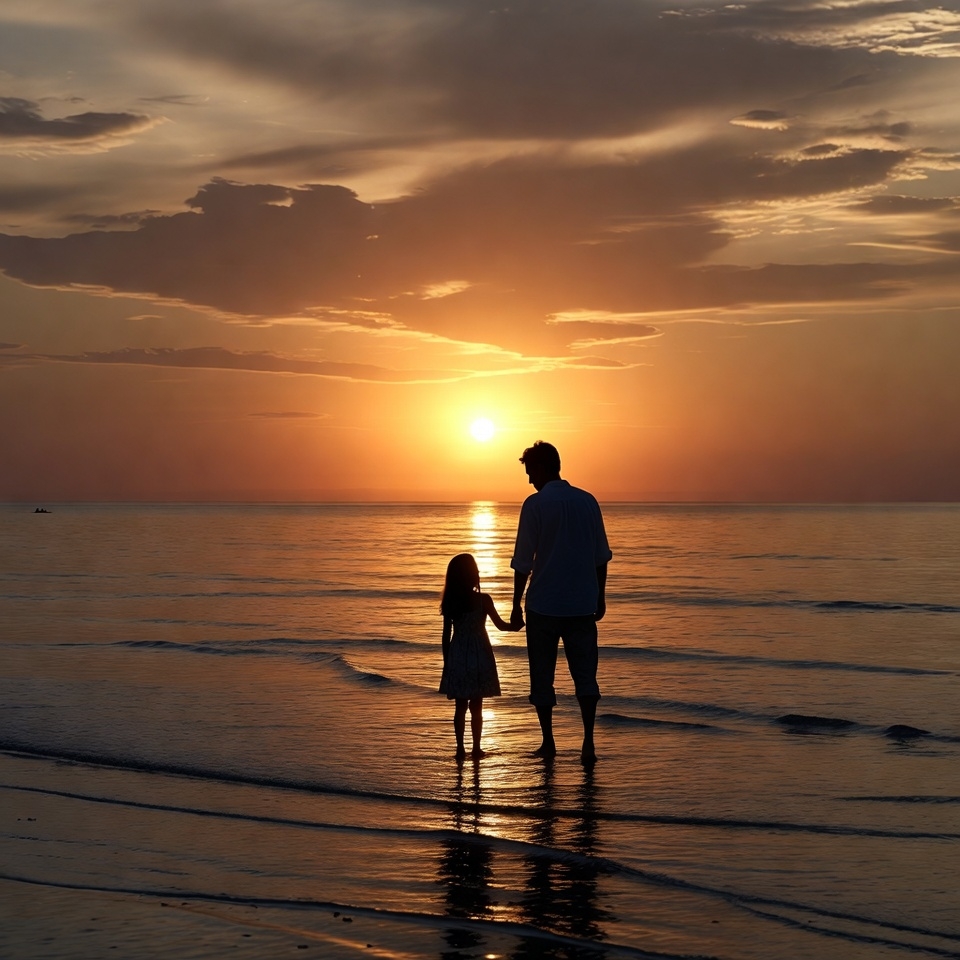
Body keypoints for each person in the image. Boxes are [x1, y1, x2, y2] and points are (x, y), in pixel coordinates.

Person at [510, 441, 612, 764]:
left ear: (541, 468)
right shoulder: (588, 502)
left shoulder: (535, 505)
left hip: (543, 604)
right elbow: (601, 557)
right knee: (586, 676)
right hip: (582, 602)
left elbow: (523, 561)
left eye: (530, 472)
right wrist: (601, 595)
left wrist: (514, 604)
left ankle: (549, 741)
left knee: (542, 676)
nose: (529, 480)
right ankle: (588, 743)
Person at [439, 553, 516, 760]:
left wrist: (447, 663)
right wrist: (516, 626)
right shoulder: (483, 600)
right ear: (473, 574)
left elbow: (446, 636)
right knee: (477, 706)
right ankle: (476, 748)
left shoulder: (451, 602)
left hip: (458, 654)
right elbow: (501, 625)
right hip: (480, 655)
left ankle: (460, 749)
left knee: (460, 707)